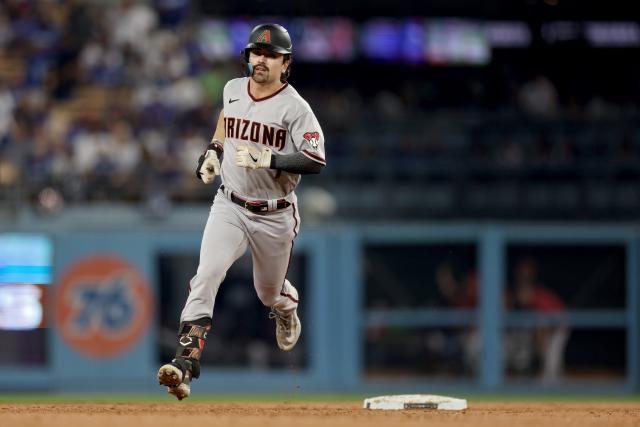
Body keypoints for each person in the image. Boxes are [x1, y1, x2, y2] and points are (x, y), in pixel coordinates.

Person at [157, 23, 326, 400]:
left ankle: (286, 306)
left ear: (286, 64)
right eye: (256, 52)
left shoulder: (296, 108)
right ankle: (185, 363)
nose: (261, 59)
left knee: (267, 292)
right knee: (207, 274)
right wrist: (214, 151)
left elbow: (316, 159)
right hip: (229, 203)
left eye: (270, 55)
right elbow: (225, 120)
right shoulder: (233, 88)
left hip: (275, 212)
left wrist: (271, 157)